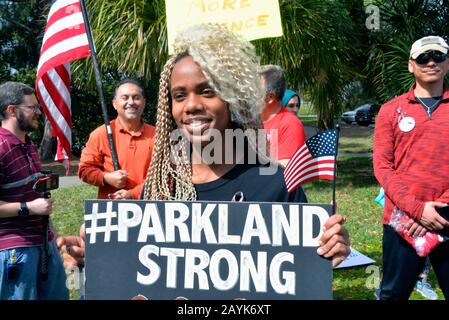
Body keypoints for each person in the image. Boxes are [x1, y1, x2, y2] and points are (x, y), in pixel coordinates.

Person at [59, 24, 350, 295]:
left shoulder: (275, 184)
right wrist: (97, 255)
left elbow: (298, 273)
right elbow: (140, 278)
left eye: (207, 91)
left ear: (232, 97)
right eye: (179, 95)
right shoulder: (161, 188)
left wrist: (326, 250)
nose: (193, 105)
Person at [373, 35, 449, 300]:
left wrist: (437, 209)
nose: (431, 62)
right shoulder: (390, 110)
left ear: (447, 63)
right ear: (411, 65)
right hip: (402, 223)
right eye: (423, 57)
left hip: (447, 217)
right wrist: (417, 211)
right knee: (393, 295)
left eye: (438, 56)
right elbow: (382, 167)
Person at [0, 81, 68, 299]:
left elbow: (37, 196)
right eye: (32, 107)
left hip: (44, 243)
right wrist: (28, 208)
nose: (38, 112)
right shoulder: (1, 147)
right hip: (15, 249)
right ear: (12, 110)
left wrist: (51, 231)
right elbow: (33, 204)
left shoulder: (29, 145)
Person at [78, 78, 156, 200]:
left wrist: (133, 194)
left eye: (136, 97)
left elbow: (164, 176)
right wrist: (106, 178)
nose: (131, 102)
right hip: (111, 210)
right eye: (125, 98)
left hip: (149, 209)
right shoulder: (101, 134)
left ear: (144, 102)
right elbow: (84, 170)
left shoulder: (157, 135)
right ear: (115, 103)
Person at [259, 65, 306, 166]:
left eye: (254, 89)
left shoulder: (291, 125)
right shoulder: (250, 120)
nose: (247, 94)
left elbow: (284, 175)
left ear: (270, 97)